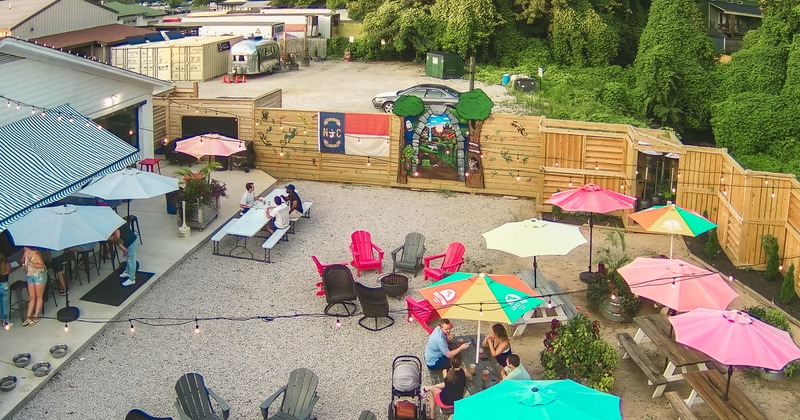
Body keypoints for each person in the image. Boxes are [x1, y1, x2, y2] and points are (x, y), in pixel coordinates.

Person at [422, 353, 470, 419]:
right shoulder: (465, 371)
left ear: (450, 362)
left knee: (431, 390)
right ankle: (448, 409)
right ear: (460, 363)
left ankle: (432, 415)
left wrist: (433, 386)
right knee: (435, 388)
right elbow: (470, 378)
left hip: (444, 402)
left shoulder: (445, 371)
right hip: (456, 403)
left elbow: (446, 383)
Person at [21, 247, 46, 326]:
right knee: (31, 297)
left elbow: (41, 265)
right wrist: (23, 265)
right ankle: (28, 316)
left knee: (38, 296)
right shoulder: (25, 253)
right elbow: (23, 262)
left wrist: (32, 264)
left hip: (39, 275)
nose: (24, 247)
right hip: (30, 275)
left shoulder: (35, 253)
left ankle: (35, 316)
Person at [0, 252, 11, 328]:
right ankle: (6, 322)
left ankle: (1, 318)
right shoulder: (6, 264)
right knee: (5, 304)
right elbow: (9, 270)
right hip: (5, 285)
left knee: (0, 304)